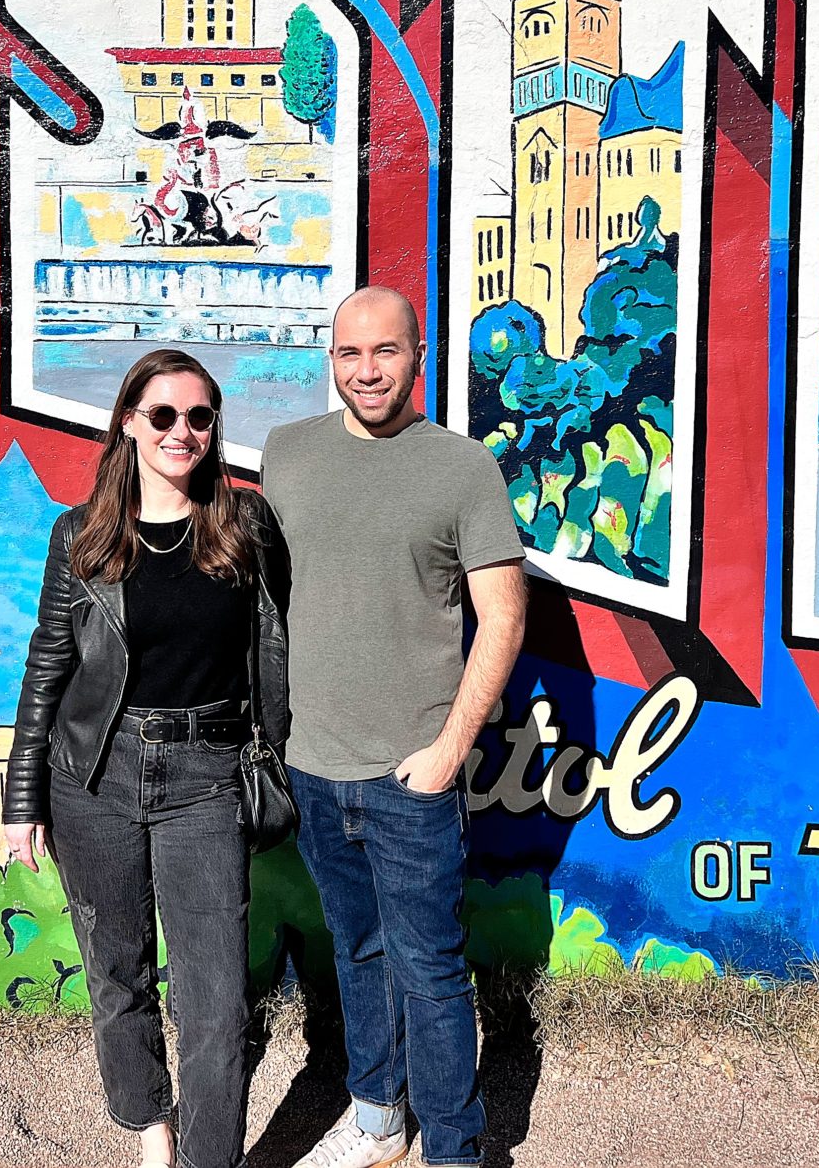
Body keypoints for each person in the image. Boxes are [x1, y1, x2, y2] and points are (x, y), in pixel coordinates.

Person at [262, 287, 529, 1168]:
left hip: (412, 775)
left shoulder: (461, 468)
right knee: (356, 949)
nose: (366, 370)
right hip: (313, 764)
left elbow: (503, 618)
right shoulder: (287, 454)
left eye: (385, 352)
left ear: (419, 354)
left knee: (432, 970)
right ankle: (379, 1122)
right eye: (349, 353)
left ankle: (454, 1151)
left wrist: (449, 752)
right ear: (329, 359)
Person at [3, 348, 289, 1168]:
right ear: (129, 421)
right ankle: (151, 1129)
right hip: (94, 775)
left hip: (208, 774)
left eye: (199, 417)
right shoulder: (81, 537)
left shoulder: (245, 526)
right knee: (118, 971)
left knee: (214, 998)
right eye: (162, 414)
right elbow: (48, 665)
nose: (182, 432)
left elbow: (279, 646)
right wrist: (24, 795)